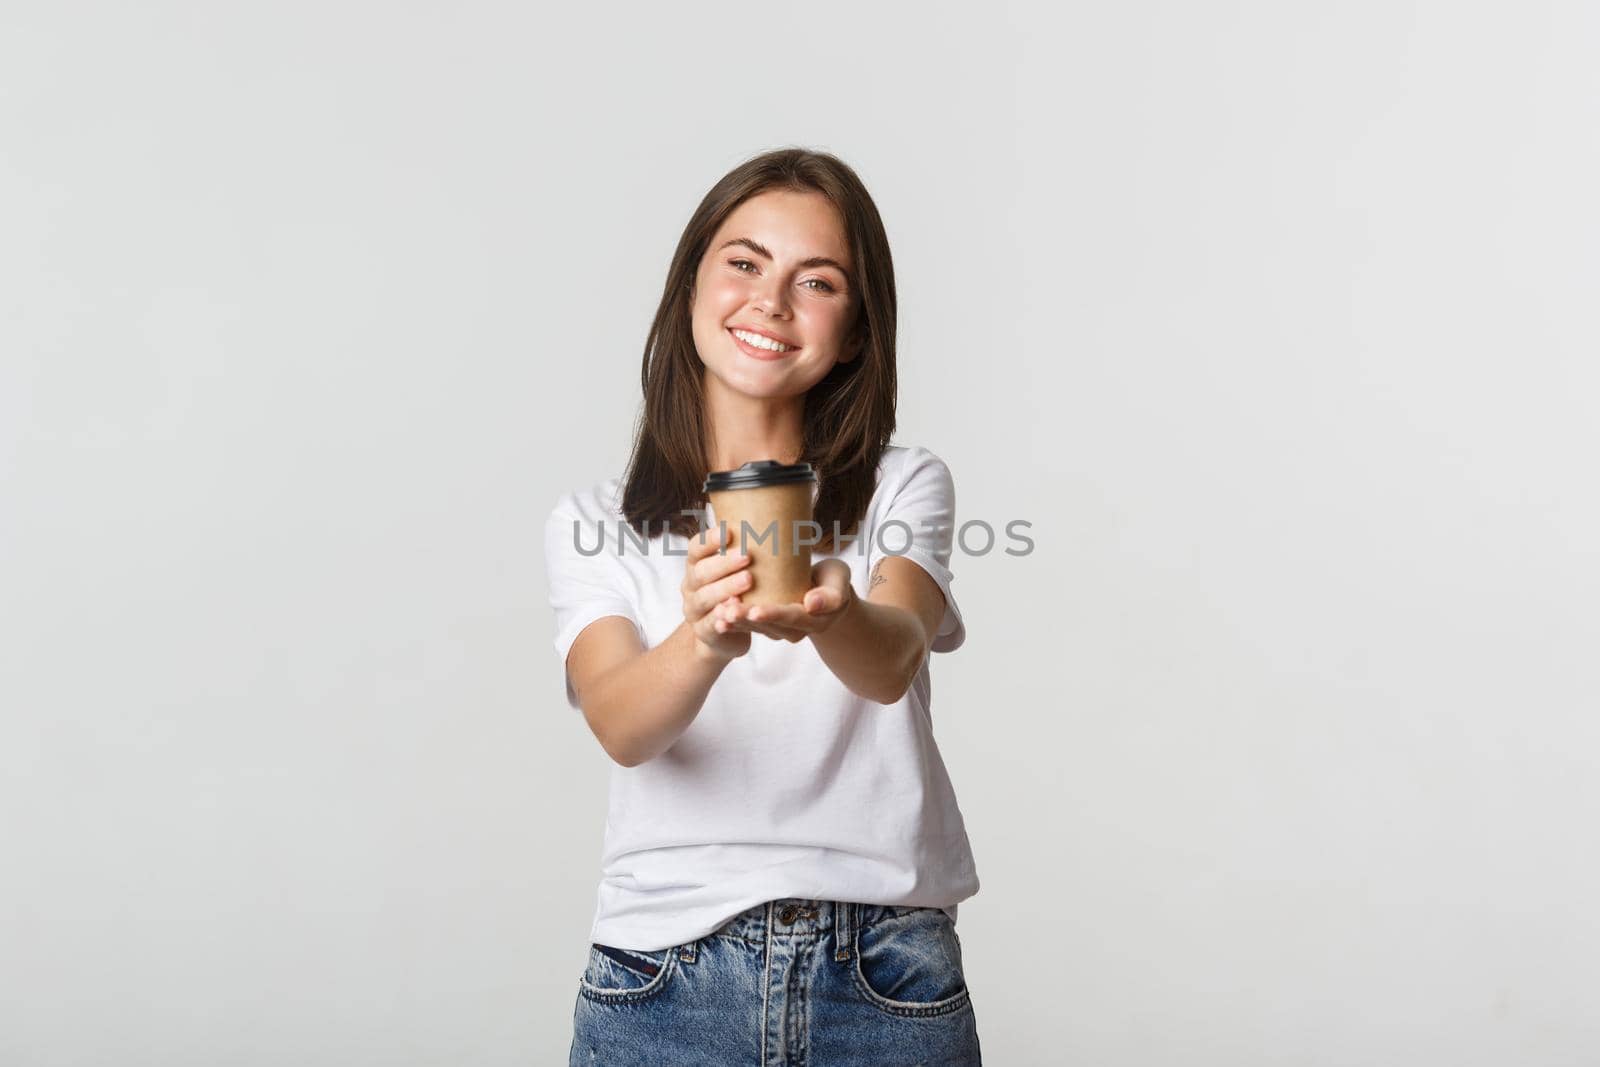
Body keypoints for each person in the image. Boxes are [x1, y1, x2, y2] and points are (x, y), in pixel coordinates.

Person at [543, 147, 982, 1065]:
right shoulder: (597, 521)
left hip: (885, 973)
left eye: (816, 281)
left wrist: (833, 609)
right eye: (743, 262)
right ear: (690, 284)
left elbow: (892, 658)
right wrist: (703, 637)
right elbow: (623, 722)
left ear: (857, 329)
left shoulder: (905, 486)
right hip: (662, 974)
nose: (771, 302)